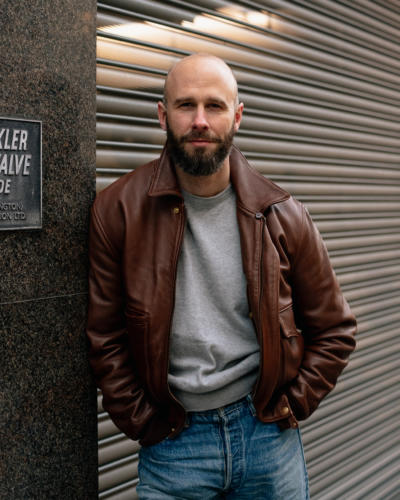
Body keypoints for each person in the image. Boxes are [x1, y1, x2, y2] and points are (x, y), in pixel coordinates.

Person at [87, 54, 357, 499]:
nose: (199, 121)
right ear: (161, 114)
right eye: (184, 105)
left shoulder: (281, 215)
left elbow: (336, 329)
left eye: (214, 106)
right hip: (175, 446)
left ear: (237, 116)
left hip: (268, 440)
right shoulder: (117, 211)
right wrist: (142, 420)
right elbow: (105, 336)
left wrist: (291, 404)